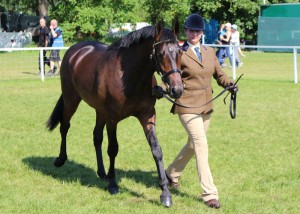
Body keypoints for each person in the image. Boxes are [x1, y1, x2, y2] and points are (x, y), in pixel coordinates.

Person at [163, 14, 237, 209]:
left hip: (206, 105)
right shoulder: (178, 52)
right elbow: (169, 75)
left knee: (192, 145)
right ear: (186, 31)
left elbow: (219, 73)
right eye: (191, 30)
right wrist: (162, 88)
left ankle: (171, 174)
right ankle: (209, 194)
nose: (194, 33)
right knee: (201, 145)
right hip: (187, 106)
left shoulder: (209, 51)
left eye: (197, 30)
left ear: (202, 32)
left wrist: (229, 83)